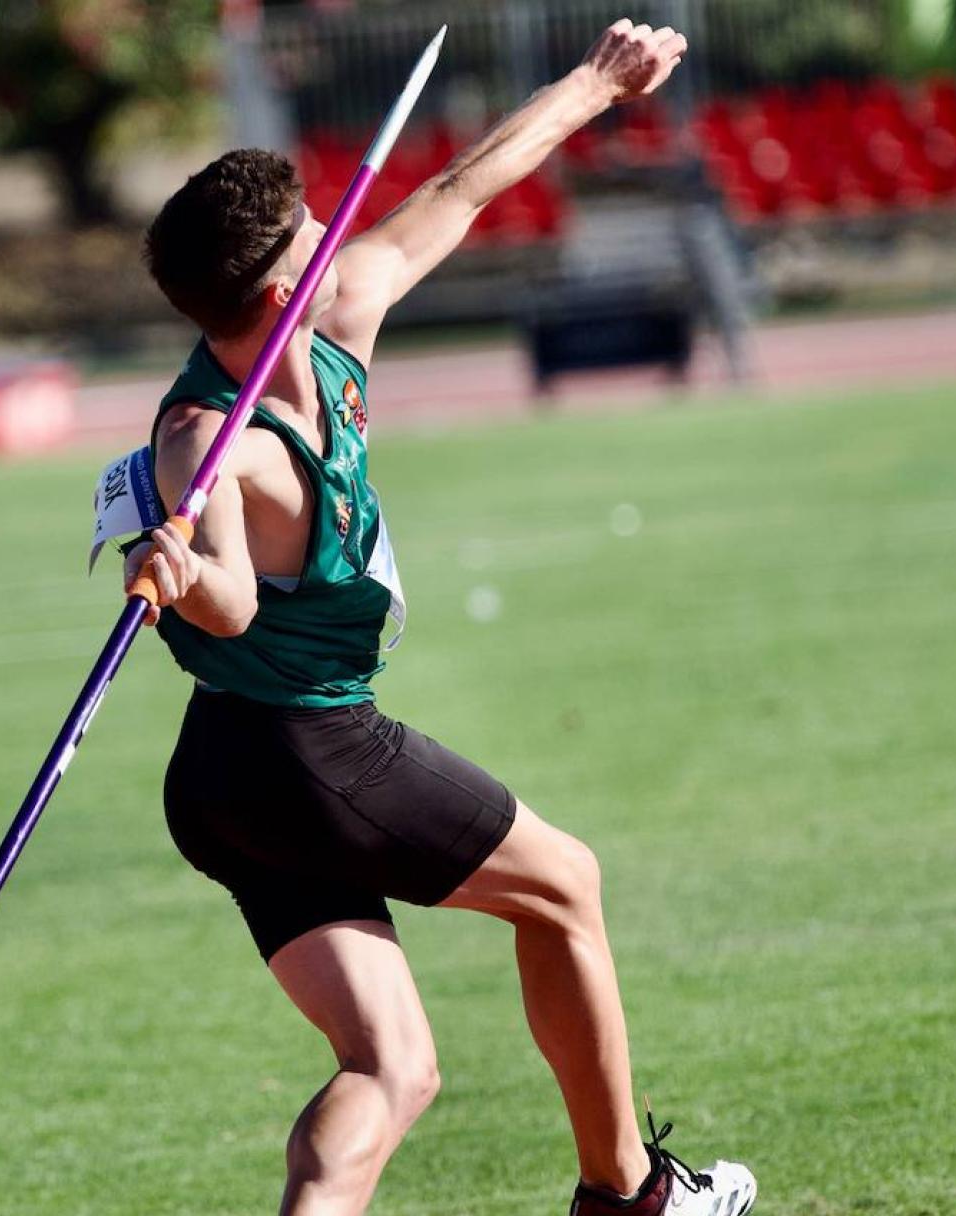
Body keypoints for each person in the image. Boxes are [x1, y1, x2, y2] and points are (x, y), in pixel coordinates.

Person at [119, 19, 755, 1216]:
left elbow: (463, 190)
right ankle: (630, 1197)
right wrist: (178, 567)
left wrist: (597, 82)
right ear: (276, 286)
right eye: (314, 236)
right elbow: (232, 590)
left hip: (232, 771)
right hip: (303, 749)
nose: (336, 242)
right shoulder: (210, 438)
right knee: (564, 882)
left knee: (393, 1066)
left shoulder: (337, 311)